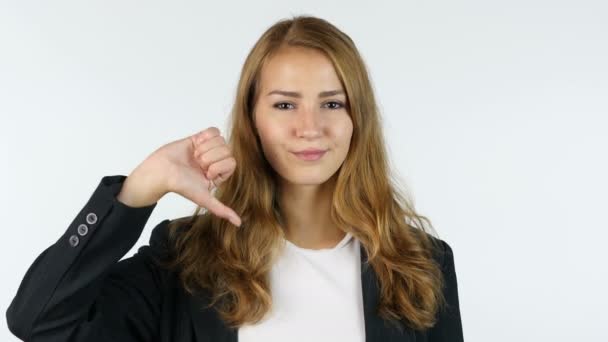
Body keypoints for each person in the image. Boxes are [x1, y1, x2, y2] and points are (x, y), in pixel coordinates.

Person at [6, 15, 464, 342]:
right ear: (252, 120)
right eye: (285, 104)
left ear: (357, 119)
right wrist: (140, 188)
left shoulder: (420, 264)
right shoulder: (188, 259)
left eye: (332, 103)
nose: (310, 127)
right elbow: (41, 322)